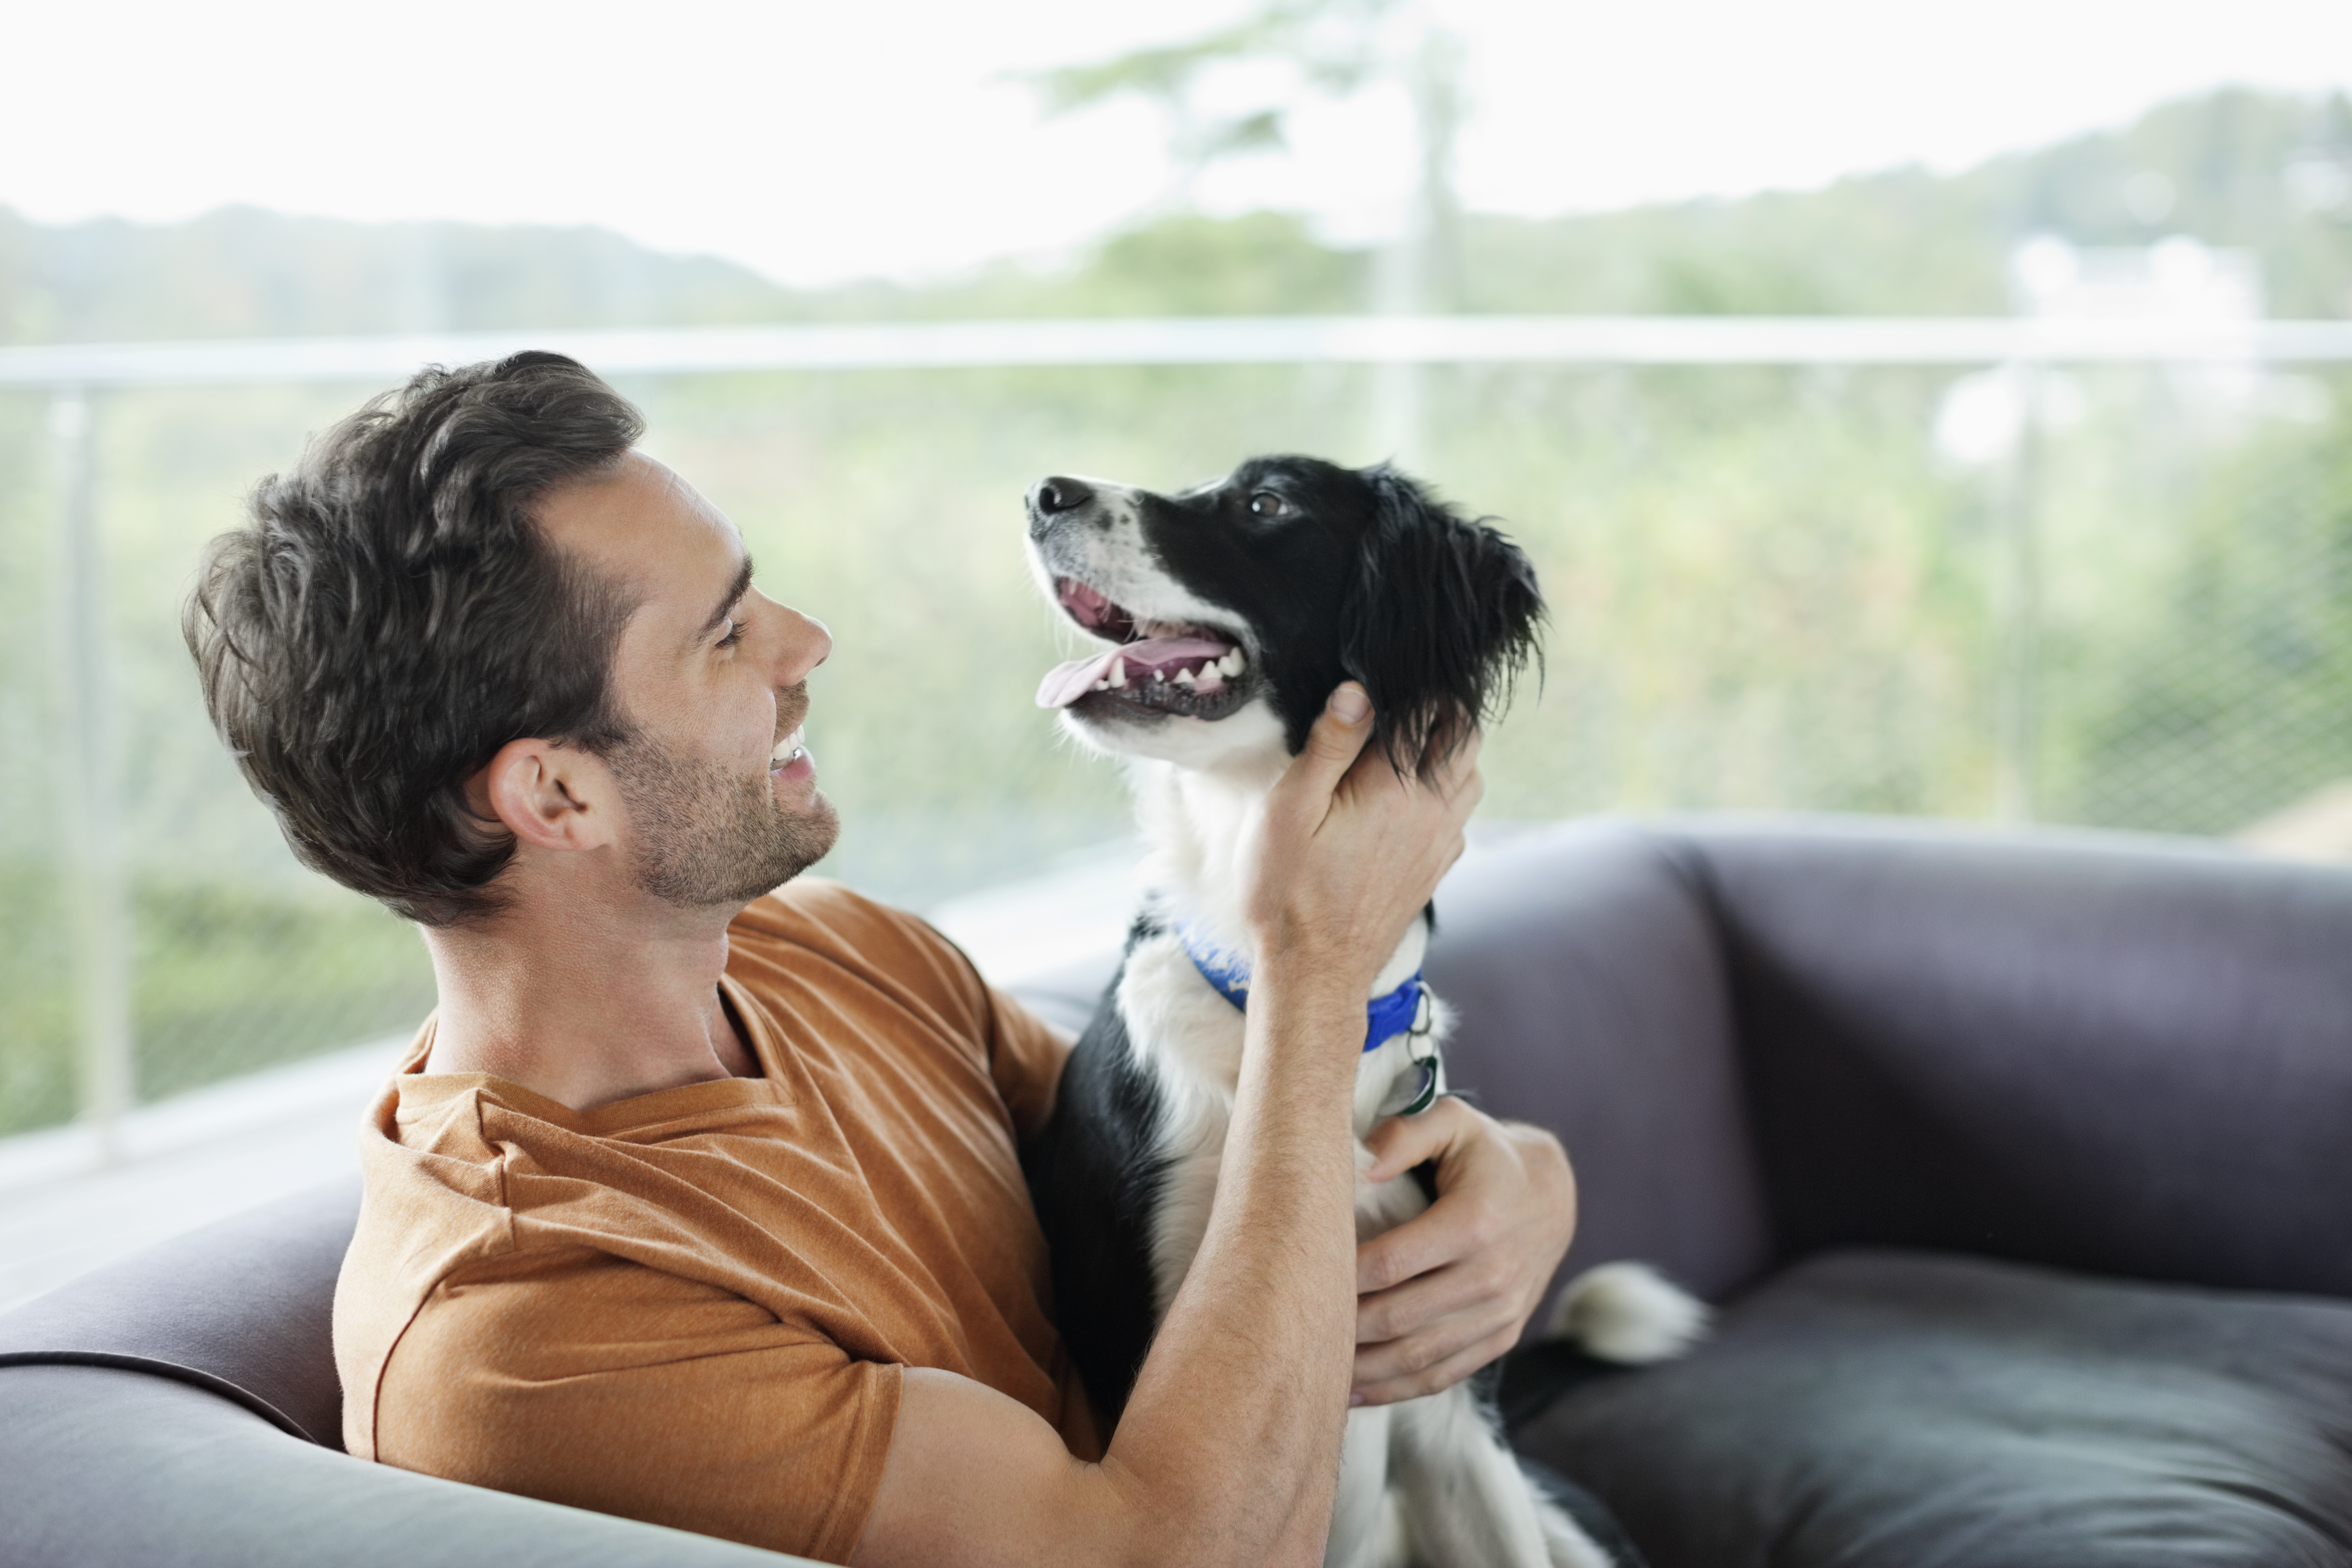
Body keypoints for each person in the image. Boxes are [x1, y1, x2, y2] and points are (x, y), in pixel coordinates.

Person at [184, 351, 1577, 1568]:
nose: (808, 645)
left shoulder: (840, 956)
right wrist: (1314, 970)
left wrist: (1522, 1189)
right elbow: (1186, 1557)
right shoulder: (536, 1333)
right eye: (729, 635)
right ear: (557, 799)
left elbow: (1214, 1161)